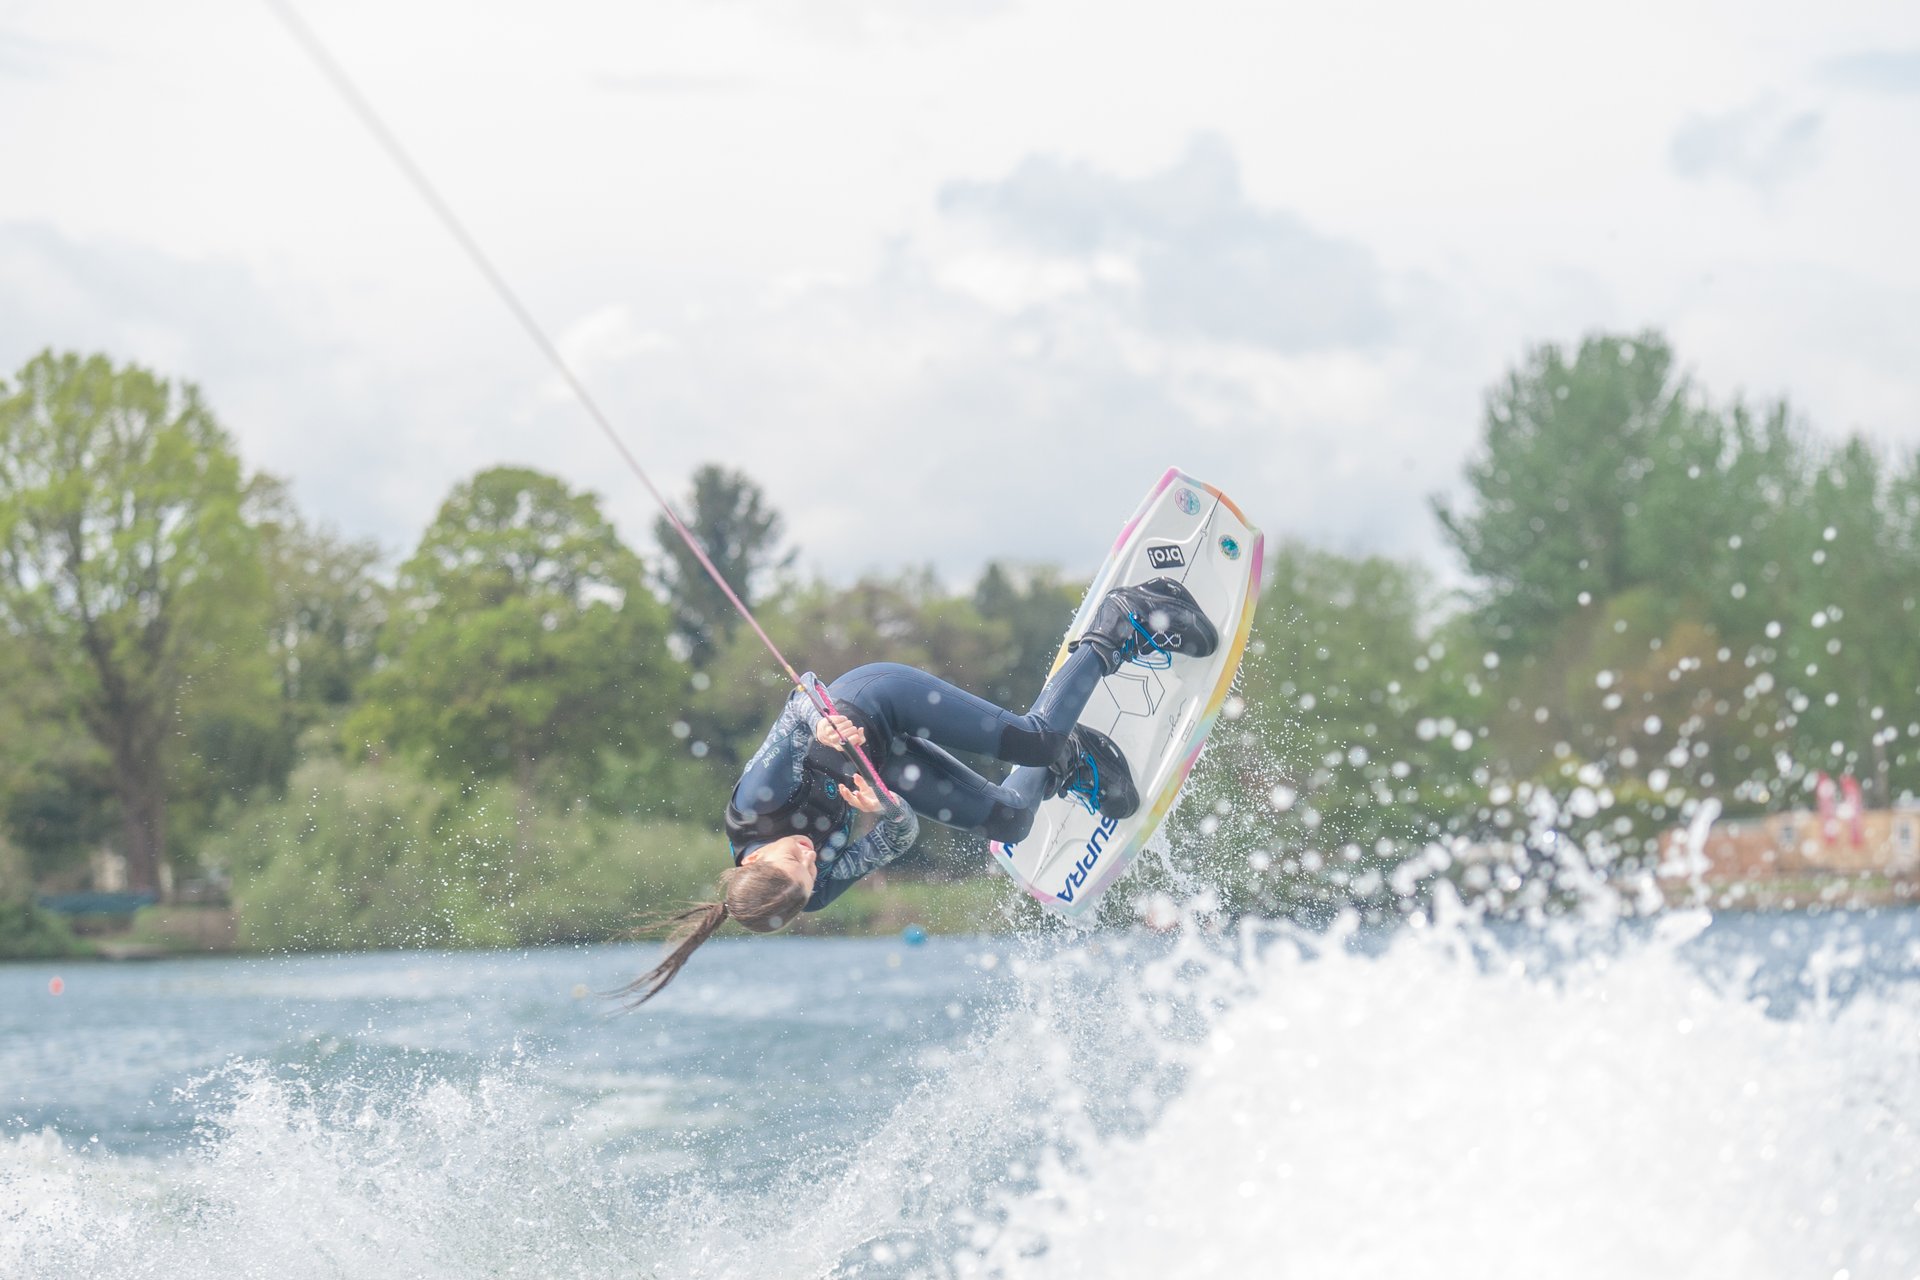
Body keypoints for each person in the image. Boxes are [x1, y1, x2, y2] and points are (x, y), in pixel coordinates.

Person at [617, 577, 1219, 1004]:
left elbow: (801, 696)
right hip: (884, 766)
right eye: (807, 871)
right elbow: (899, 837)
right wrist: (885, 811)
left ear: (757, 857)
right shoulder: (815, 890)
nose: (805, 852)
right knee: (1009, 822)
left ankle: (1124, 620)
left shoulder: (756, 806)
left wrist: (821, 723)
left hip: (875, 702)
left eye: (792, 857)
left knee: (1030, 741)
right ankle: (1072, 761)